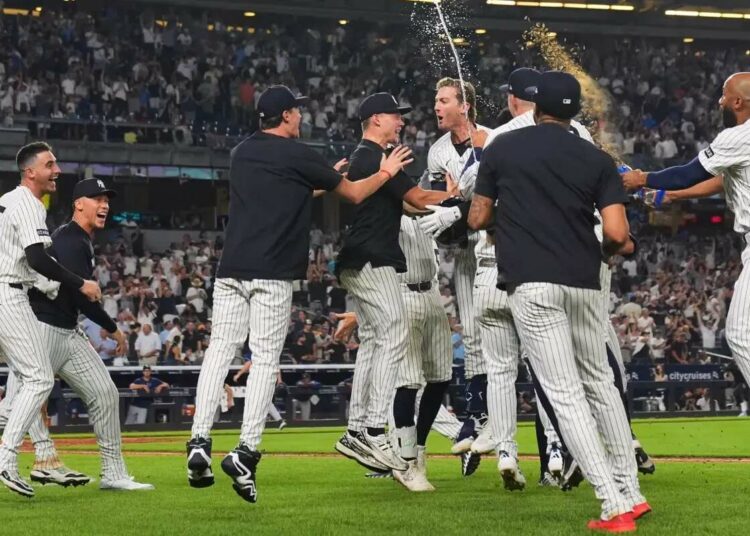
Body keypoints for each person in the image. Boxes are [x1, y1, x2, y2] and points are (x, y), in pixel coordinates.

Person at [186, 85, 413, 503]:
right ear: (286, 115)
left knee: (219, 351)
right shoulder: (299, 155)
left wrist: (321, 181)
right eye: (298, 112)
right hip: (272, 273)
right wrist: (388, 171)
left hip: (231, 268)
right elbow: (358, 193)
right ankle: (246, 450)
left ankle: (199, 440)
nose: (301, 118)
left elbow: (281, 193)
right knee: (265, 359)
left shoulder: (242, 153)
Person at [469, 71, 649, 532]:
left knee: (565, 394)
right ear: (573, 111)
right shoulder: (597, 159)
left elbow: (478, 217)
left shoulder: (502, 149)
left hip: (532, 284)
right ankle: (632, 492)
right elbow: (616, 234)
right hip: (585, 282)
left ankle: (612, 505)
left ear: (534, 107)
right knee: (601, 384)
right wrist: (601, 253)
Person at [0, 178, 152, 491]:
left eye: (107, 199)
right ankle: (30, 462)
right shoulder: (68, 239)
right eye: (96, 198)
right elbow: (80, 293)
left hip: (68, 331)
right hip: (43, 329)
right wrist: (112, 328)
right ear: (78, 203)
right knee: (12, 412)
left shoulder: (80, 239)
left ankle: (114, 474)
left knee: (105, 395)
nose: (105, 204)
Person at [334, 92, 455, 475]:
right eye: (393, 116)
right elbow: (417, 197)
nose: (400, 122)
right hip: (373, 258)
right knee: (395, 330)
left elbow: (410, 203)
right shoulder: (373, 157)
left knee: (375, 339)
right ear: (374, 119)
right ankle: (371, 428)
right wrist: (456, 197)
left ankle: (357, 428)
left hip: (359, 259)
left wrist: (448, 196)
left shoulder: (367, 157)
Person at [621, 72, 750, 389]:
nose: (718, 100)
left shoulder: (738, 135)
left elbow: (685, 174)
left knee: (739, 333)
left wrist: (643, 179)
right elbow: (722, 179)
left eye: (723, 94)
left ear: (737, 101)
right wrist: (674, 197)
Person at [0, 142, 101, 498]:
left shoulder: (8, 200)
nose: (56, 170)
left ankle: (45, 458)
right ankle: (7, 460)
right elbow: (37, 259)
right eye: (49, 164)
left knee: (23, 389)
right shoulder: (28, 203)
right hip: (8, 294)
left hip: (9, 289)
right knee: (40, 378)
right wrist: (79, 283)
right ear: (30, 172)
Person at [336, 212, 452, 492]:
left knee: (441, 377)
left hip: (432, 294)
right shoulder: (390, 213)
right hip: (402, 293)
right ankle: (407, 461)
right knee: (408, 383)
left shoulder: (427, 209)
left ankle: (419, 449)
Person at [419, 78, 492, 454]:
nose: (436, 106)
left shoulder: (494, 140)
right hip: (465, 253)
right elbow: (440, 212)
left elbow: (496, 202)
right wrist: (452, 205)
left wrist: (456, 204)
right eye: (436, 100)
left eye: (444, 100)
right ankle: (477, 412)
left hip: (497, 248)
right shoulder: (437, 152)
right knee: (475, 336)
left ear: (464, 106)